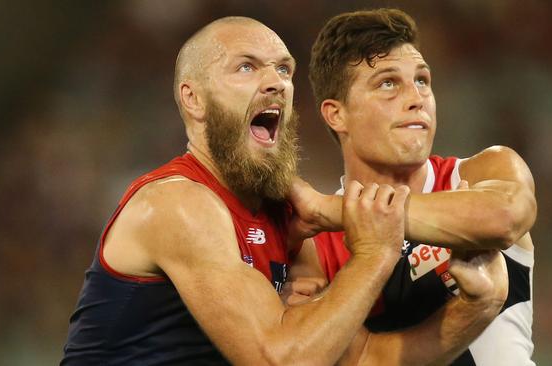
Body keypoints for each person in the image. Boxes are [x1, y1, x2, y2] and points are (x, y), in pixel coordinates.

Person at [61, 16, 507, 365]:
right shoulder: (177, 204)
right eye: (246, 67)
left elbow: (362, 358)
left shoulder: (282, 215)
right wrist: (374, 253)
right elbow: (282, 359)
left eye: (283, 68)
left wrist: (475, 311)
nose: (276, 81)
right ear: (194, 99)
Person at [287, 8, 538, 365]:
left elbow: (504, 217)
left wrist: (336, 210)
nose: (416, 97)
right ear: (335, 114)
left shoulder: (486, 169)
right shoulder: (315, 245)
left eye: (422, 80)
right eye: (388, 83)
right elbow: (358, 361)